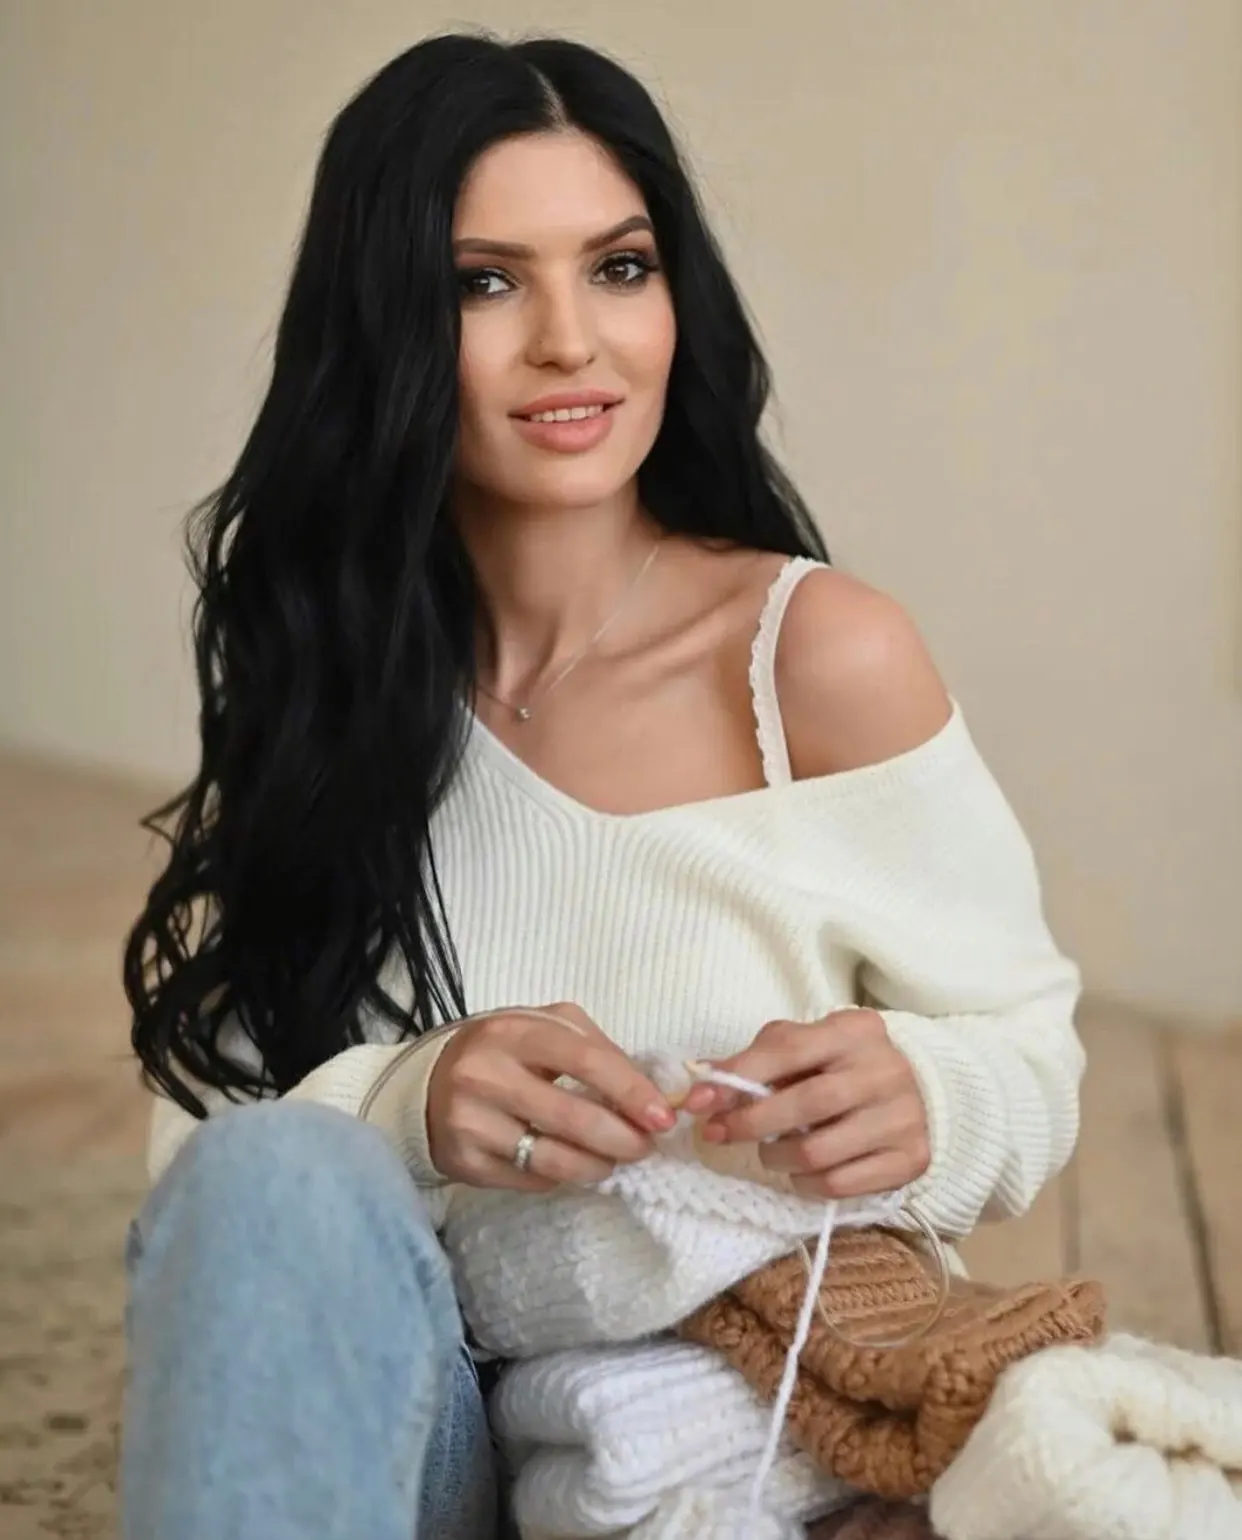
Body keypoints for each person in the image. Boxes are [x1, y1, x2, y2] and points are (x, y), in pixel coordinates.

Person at [118, 29, 1084, 1540]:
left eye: (619, 267)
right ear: (384, 320)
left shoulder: (814, 658)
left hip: (740, 1429)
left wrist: (928, 1096)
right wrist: (408, 1101)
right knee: (277, 1187)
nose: (570, 340)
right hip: (429, 1434)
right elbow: (208, 1195)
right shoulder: (332, 692)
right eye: (484, 283)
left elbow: (1028, 1053)